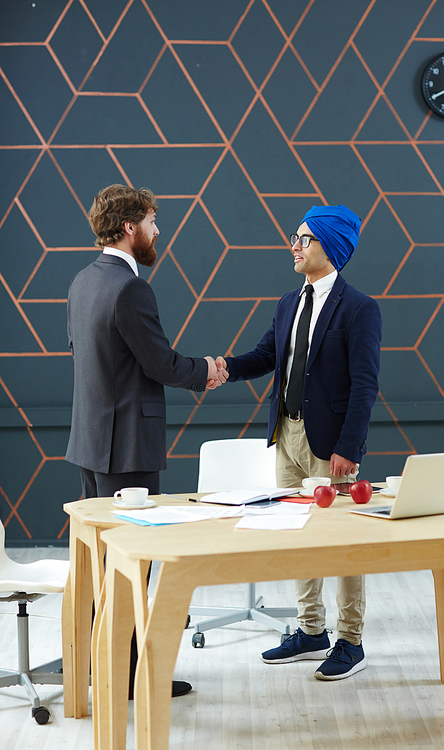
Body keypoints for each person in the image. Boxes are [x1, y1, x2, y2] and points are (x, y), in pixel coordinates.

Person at [65, 183, 228, 698]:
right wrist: (207, 370)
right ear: (130, 227)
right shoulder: (131, 288)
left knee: (101, 564)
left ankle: (102, 667)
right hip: (127, 446)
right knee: (133, 563)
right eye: (154, 222)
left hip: (91, 443)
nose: (160, 231)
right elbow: (158, 361)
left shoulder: (82, 281)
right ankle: (131, 678)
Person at [215, 204, 382, 681]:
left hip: (330, 443)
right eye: (296, 236)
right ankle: (311, 630)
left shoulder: (359, 309)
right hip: (286, 433)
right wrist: (222, 368)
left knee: (344, 539)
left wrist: (349, 448)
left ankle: (351, 640)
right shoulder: (288, 302)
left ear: (329, 246)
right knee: (298, 531)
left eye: (304, 238)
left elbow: (365, 384)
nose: (294, 244)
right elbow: (267, 355)